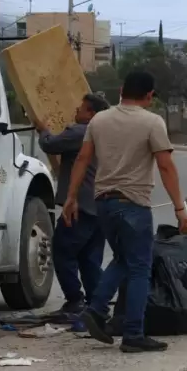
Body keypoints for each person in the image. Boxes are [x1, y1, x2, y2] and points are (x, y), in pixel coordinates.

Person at [61, 70, 187, 353]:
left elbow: (82, 159)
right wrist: (180, 208)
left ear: (121, 90)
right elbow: (166, 166)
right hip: (133, 204)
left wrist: (71, 197)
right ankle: (134, 333)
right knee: (139, 268)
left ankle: (95, 310)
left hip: (103, 203)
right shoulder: (152, 122)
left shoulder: (99, 119)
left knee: (122, 258)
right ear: (149, 96)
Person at [35, 93, 111, 320]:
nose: (76, 111)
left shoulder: (81, 132)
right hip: (100, 205)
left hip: (80, 205)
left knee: (62, 250)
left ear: (92, 114)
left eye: (81, 108)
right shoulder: (106, 133)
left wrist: (42, 128)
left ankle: (74, 300)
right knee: (89, 258)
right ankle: (97, 306)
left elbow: (50, 144)